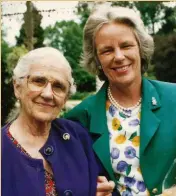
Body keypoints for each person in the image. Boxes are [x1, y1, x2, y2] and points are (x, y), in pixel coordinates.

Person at [64, 4, 176, 196]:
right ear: (97, 60)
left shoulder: (173, 98)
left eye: (126, 46)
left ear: (140, 48)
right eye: (107, 50)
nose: (118, 56)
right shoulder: (79, 118)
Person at [2, 47, 115, 196]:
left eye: (58, 86)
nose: (48, 94)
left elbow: (103, 185)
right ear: (17, 88)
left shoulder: (78, 137)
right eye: (38, 81)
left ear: (66, 98)